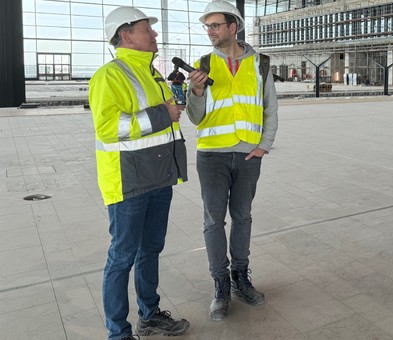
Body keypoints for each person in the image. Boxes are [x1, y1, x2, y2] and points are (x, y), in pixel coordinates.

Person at [89, 6, 189, 340]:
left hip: (158, 178)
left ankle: (149, 315)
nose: (155, 34)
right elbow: (108, 129)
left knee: (151, 250)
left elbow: (165, 123)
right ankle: (118, 333)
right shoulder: (109, 76)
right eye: (148, 29)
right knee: (122, 258)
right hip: (128, 182)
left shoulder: (154, 74)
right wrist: (163, 114)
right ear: (126, 35)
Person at [185, 0, 278, 322]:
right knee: (213, 221)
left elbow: (269, 107)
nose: (209, 31)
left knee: (243, 218)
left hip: (248, 153)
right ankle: (220, 286)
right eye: (207, 26)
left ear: (233, 27)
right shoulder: (202, 64)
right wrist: (195, 93)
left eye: (215, 25)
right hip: (211, 154)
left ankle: (241, 277)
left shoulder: (260, 64)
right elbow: (195, 118)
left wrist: (264, 145)